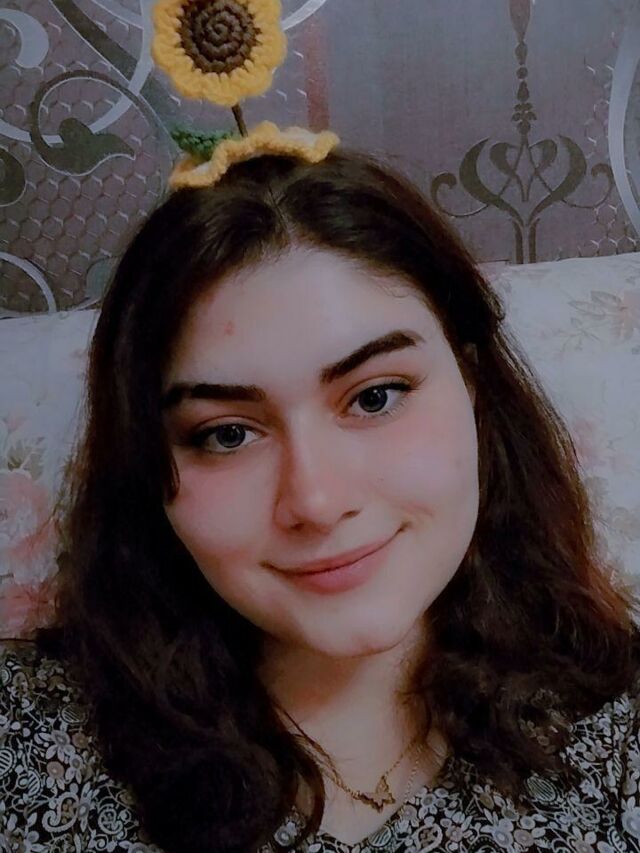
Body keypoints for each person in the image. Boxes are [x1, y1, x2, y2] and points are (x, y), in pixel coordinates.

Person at [2, 149, 640, 853]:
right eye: (227, 434)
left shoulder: (620, 735)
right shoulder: (27, 736)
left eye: (375, 397)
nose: (317, 500)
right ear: (146, 464)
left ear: (472, 387)